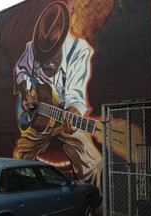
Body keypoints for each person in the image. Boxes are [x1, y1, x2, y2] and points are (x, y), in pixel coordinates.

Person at [13, 1, 102, 191]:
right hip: (39, 120)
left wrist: (74, 112)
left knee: (94, 163)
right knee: (19, 156)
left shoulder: (79, 51)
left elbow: (76, 95)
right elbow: (20, 69)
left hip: (64, 118)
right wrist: (24, 92)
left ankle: (91, 203)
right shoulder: (33, 47)